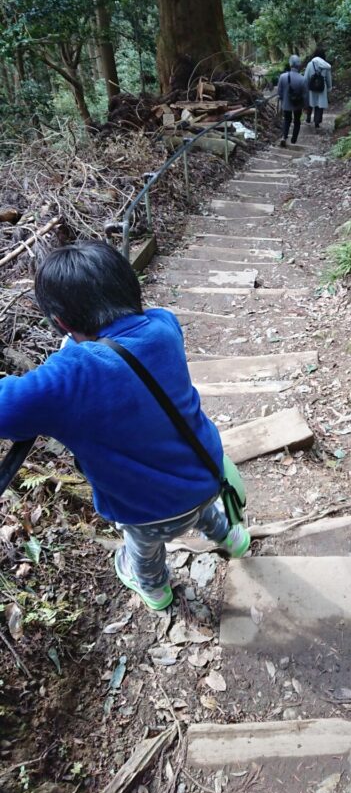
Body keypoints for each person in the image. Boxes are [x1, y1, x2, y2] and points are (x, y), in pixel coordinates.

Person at [0, 242, 250, 612]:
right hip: (206, 474)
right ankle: (235, 541)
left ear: (63, 322)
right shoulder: (164, 325)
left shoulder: (70, 377)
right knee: (201, 511)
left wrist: (69, 350)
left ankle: (156, 591)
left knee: (142, 550)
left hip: (149, 512)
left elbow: (9, 408)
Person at [276, 54, 307, 146]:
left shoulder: (282, 77)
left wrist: (283, 99)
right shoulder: (302, 79)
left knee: (287, 119)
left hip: (286, 103)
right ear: (299, 65)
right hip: (298, 104)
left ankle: (284, 137)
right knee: (297, 120)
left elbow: (279, 91)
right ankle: (294, 139)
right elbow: (305, 94)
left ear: (290, 64)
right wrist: (306, 106)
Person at [304, 48, 332, 128]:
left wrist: (305, 87)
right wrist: (329, 88)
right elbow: (328, 78)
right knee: (320, 104)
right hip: (322, 87)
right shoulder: (326, 66)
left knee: (310, 102)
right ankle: (317, 122)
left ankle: (308, 118)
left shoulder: (310, 64)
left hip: (312, 86)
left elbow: (306, 78)